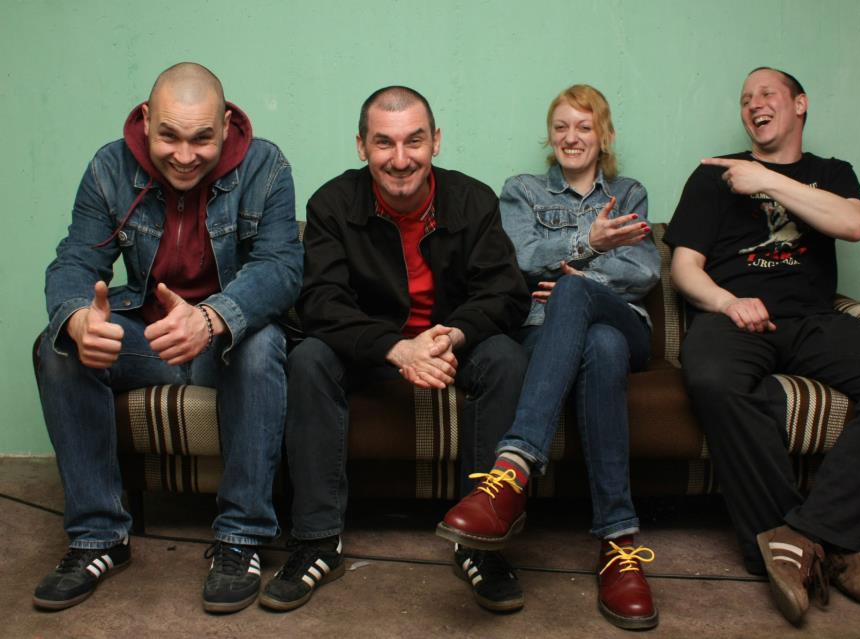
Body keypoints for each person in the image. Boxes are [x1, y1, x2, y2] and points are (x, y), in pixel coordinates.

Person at [665, 67, 860, 625]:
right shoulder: (714, 174)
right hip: (734, 317)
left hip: (814, 319)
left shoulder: (830, 173)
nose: (754, 104)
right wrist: (726, 302)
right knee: (712, 377)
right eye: (745, 99)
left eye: (766, 93)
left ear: (800, 104)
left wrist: (766, 180)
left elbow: (854, 224)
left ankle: (803, 536)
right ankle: (819, 540)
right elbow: (684, 267)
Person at [34, 63, 302, 613]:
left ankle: (242, 538)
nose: (184, 155)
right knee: (56, 346)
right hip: (147, 338)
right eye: (169, 136)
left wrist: (211, 318)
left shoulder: (266, 166)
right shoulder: (109, 167)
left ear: (225, 125)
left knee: (263, 343)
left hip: (222, 342)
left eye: (201, 138)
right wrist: (79, 318)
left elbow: (281, 269)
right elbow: (76, 259)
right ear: (146, 119)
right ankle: (98, 539)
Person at [260, 86, 531, 613]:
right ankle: (316, 541)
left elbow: (505, 293)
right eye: (384, 142)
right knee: (309, 358)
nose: (401, 159)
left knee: (506, 357)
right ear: (361, 146)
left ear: (436, 142)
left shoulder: (473, 200)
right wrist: (397, 348)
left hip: (450, 346)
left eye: (415, 141)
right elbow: (320, 302)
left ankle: (482, 543)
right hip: (370, 351)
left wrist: (451, 335)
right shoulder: (331, 204)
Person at [436, 84, 662, 630]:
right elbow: (516, 261)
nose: (571, 137)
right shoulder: (522, 190)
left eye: (584, 127)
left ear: (604, 136)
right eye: (561, 127)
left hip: (626, 322)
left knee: (578, 296)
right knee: (599, 345)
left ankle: (511, 469)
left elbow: (644, 271)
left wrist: (575, 279)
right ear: (550, 136)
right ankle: (619, 543)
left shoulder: (628, 193)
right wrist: (593, 244)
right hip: (547, 335)